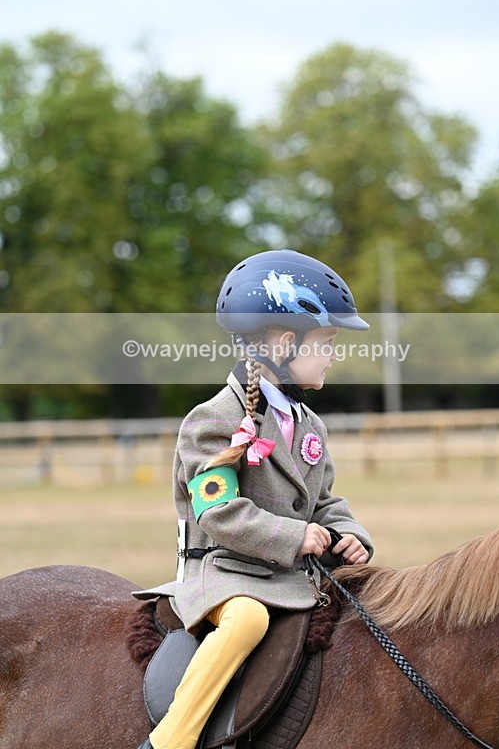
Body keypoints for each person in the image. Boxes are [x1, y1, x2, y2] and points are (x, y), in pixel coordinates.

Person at [136, 249, 373, 749]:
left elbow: (323, 500)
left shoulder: (310, 424)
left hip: (289, 574)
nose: (333, 355)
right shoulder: (212, 420)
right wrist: (296, 536)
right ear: (285, 343)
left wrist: (347, 534)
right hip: (223, 573)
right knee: (247, 618)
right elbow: (217, 511)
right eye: (326, 342)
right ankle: (170, 741)